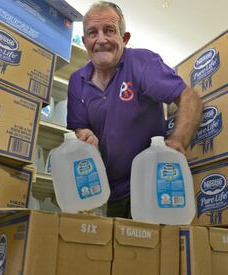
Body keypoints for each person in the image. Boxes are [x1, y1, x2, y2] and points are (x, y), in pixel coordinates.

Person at [67, 1, 202, 218]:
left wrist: (178, 141)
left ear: (124, 38)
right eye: (93, 33)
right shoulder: (76, 81)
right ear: (84, 42)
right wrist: (84, 135)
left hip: (152, 187)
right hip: (108, 193)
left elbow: (189, 97)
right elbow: (79, 128)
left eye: (109, 31)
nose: (101, 40)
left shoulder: (142, 62)